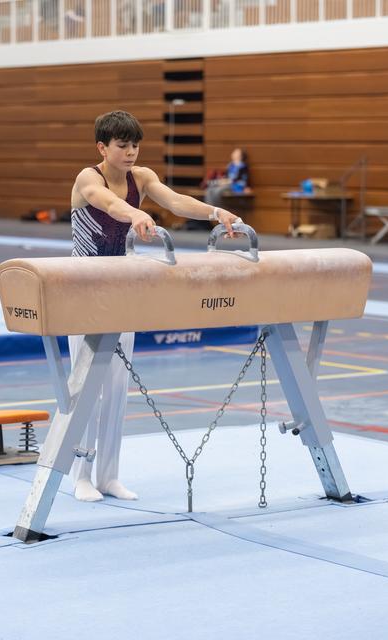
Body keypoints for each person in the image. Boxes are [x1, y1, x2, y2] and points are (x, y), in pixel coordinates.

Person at [69, 110, 242, 502]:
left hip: (122, 288)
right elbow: (109, 204)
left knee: (116, 385)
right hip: (81, 290)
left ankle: (108, 475)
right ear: (102, 147)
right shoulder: (87, 178)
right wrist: (136, 213)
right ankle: (80, 474)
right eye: (122, 146)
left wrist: (217, 212)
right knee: (86, 388)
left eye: (135, 146)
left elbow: (177, 201)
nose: (130, 153)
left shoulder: (142, 178)